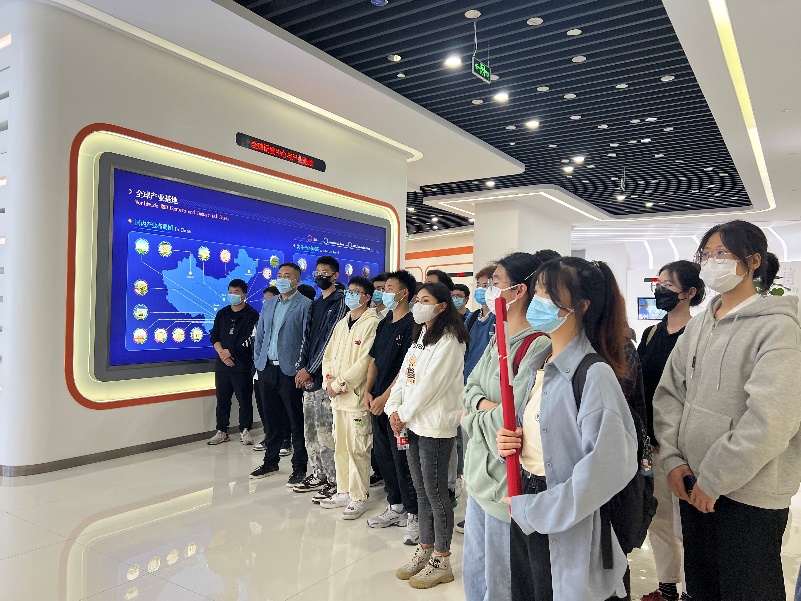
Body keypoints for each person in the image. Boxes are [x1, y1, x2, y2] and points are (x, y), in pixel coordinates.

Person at [654, 220, 801, 601]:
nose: (711, 262)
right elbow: (669, 394)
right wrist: (673, 461)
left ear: (753, 261)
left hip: (750, 492)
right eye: (706, 255)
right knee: (702, 586)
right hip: (692, 483)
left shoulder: (778, 327)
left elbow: (772, 419)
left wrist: (714, 479)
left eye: (723, 254)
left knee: (748, 588)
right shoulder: (700, 324)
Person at [497, 257, 638, 601]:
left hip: (562, 510)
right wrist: (513, 443)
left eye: (548, 293)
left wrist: (538, 508)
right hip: (528, 498)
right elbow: (544, 435)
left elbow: (607, 467)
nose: (537, 299)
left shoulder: (593, 374)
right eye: (537, 290)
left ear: (581, 305)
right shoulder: (539, 363)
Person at [461, 250, 558, 601]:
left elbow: (513, 416)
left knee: (501, 582)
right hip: (478, 476)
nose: (489, 290)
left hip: (505, 483)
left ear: (519, 290)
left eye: (496, 283)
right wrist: (482, 407)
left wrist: (472, 416)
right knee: (475, 574)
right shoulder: (497, 336)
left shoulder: (538, 344)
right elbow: (468, 389)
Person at [385, 282, 469, 589]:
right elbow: (404, 378)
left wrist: (403, 414)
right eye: (417, 300)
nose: (418, 305)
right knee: (421, 492)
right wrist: (393, 409)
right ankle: (425, 549)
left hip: (434, 426)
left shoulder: (450, 340)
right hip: (412, 423)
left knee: (436, 493)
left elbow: (430, 387)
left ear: (442, 306)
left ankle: (442, 559)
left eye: (425, 300)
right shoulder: (421, 335)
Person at [637, 261, 705, 601]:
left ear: (689, 292)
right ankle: (667, 586)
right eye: (659, 283)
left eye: (668, 285)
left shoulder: (697, 335)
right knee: (658, 517)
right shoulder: (651, 333)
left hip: (679, 446)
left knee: (685, 523)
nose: (660, 290)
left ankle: (693, 589)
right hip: (649, 444)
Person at [364, 270, 419, 545]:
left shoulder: (413, 325)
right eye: (383, 288)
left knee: (403, 459)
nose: (384, 292)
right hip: (376, 400)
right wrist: (368, 391)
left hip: (397, 404)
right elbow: (374, 360)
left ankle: (414, 513)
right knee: (383, 456)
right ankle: (395, 505)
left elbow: (406, 368)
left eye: (389, 288)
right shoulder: (385, 322)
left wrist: (386, 397)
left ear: (404, 292)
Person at [318, 276, 379, 519]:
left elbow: (365, 362)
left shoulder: (372, 323)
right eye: (349, 291)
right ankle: (343, 490)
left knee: (357, 449)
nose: (351, 295)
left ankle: (358, 496)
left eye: (356, 292)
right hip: (337, 399)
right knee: (341, 446)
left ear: (367, 297)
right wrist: (328, 381)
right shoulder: (342, 323)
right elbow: (328, 356)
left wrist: (340, 383)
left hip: (355, 398)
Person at [249, 264, 312, 485]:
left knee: (295, 421)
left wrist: (302, 367)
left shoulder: (305, 304)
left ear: (297, 280)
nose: (282, 279)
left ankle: (299, 466)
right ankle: (270, 461)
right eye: (279, 275)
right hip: (267, 368)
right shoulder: (269, 303)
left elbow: (306, 340)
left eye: (287, 276)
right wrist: (259, 361)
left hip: (290, 372)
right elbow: (260, 336)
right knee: (270, 418)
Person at [293, 257, 348, 499]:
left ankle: (334, 479)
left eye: (325, 272)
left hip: (326, 377)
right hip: (309, 376)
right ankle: (318, 473)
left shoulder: (340, 302)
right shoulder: (316, 304)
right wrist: (301, 367)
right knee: (311, 430)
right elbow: (307, 339)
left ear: (335, 275)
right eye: (317, 272)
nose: (319, 276)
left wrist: (311, 369)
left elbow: (329, 342)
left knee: (327, 432)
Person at [208, 279, 260, 446]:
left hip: (242, 364)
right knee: (222, 399)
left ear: (244, 295)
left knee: (244, 399)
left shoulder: (252, 314)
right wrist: (222, 354)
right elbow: (214, 335)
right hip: (222, 364)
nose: (232, 295)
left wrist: (230, 352)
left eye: (236, 292)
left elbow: (250, 339)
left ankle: (245, 430)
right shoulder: (222, 313)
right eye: (230, 292)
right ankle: (222, 431)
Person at [254, 286, 291, 456]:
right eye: (265, 299)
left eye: (269, 298)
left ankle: (286, 439)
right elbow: (258, 340)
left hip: (284, 368)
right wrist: (259, 362)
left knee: (284, 408)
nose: (266, 302)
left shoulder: (290, 312)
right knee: (266, 408)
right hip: (264, 368)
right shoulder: (264, 315)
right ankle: (270, 440)